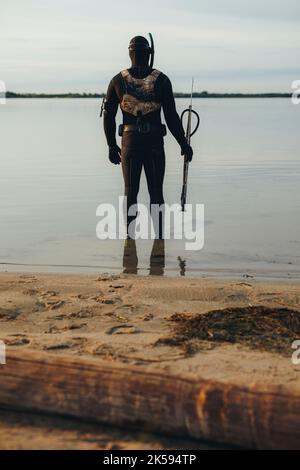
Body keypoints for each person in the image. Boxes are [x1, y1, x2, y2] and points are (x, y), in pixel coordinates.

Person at [103, 35, 193, 239]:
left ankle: (130, 239)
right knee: (156, 193)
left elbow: (109, 115)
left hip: (129, 144)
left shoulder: (118, 80)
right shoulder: (161, 80)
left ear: (130, 53)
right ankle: (159, 240)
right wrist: (183, 144)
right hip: (153, 144)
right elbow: (171, 117)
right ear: (149, 53)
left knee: (130, 192)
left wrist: (111, 145)